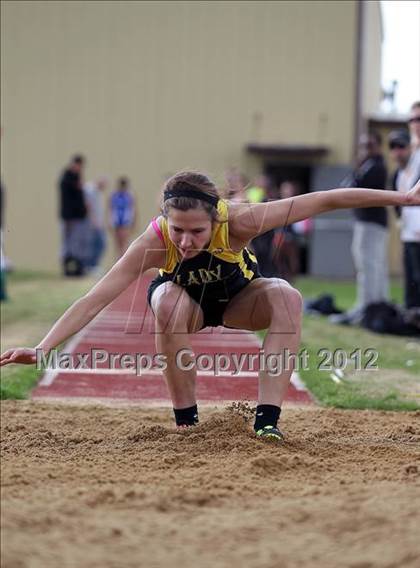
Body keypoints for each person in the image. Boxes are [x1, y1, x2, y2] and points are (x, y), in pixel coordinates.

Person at [1, 171, 419, 442]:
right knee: (163, 298)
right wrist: (43, 348)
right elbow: (95, 298)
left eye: (196, 232)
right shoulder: (154, 241)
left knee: (288, 296)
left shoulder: (241, 220)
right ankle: (187, 421)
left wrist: (401, 198)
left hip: (239, 300)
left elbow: (326, 199)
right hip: (186, 307)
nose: (184, 242)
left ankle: (267, 422)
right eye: (177, 230)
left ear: (216, 220)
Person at [331, 132, 389, 325]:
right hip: (370, 221)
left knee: (368, 264)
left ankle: (368, 306)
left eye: (370, 144)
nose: (366, 148)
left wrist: (357, 168)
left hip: (370, 222)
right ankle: (376, 304)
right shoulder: (369, 165)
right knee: (374, 264)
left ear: (378, 146)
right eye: (363, 145)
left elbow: (353, 186)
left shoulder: (375, 166)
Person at [396, 102, 420, 308]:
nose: (415, 124)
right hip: (409, 230)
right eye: (412, 119)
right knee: (411, 282)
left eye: (418, 119)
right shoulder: (412, 154)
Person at [59, 155, 90, 276]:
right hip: (70, 217)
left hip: (78, 217)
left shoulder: (76, 177)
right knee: (69, 244)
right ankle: (68, 269)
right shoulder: (67, 177)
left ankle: (77, 268)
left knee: (77, 244)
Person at [84, 177, 108, 274]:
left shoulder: (98, 193)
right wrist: (93, 220)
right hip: (91, 224)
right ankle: (90, 265)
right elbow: (88, 206)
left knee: (100, 243)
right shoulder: (90, 190)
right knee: (95, 244)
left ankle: (93, 265)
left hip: (98, 223)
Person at [109, 177, 137, 259]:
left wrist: (134, 222)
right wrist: (110, 221)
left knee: (124, 242)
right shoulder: (114, 195)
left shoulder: (129, 195)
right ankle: (118, 260)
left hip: (126, 221)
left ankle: (123, 259)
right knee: (118, 243)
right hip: (117, 221)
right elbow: (110, 208)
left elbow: (134, 209)